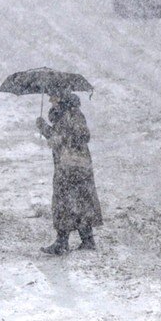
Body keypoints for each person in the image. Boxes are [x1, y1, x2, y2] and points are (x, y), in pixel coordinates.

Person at [36, 91, 103, 255]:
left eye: (54, 96)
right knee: (81, 200)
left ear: (61, 98)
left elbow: (78, 136)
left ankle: (62, 242)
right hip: (79, 165)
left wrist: (45, 129)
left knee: (63, 201)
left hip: (70, 166)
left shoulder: (70, 114)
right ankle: (86, 240)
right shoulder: (69, 113)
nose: (51, 99)